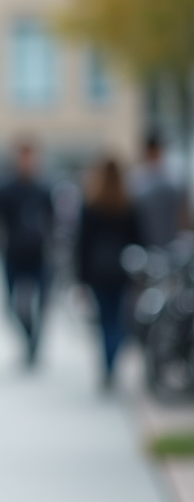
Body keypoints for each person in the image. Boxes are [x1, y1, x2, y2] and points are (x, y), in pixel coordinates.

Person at [77, 157, 141, 391]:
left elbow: (82, 245)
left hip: (98, 272)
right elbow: (138, 240)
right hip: (121, 271)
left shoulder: (92, 205)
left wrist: (81, 278)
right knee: (118, 320)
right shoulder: (128, 204)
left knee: (105, 321)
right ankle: (111, 365)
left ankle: (108, 367)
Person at [0, 140, 55, 367]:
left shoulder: (44, 187)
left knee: (42, 303)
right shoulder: (5, 189)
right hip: (13, 253)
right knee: (10, 305)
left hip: (39, 253)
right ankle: (28, 337)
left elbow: (53, 220)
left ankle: (34, 342)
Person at [130, 130, 188, 248]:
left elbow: (182, 214)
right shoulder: (137, 177)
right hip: (147, 239)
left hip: (165, 239)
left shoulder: (136, 178)